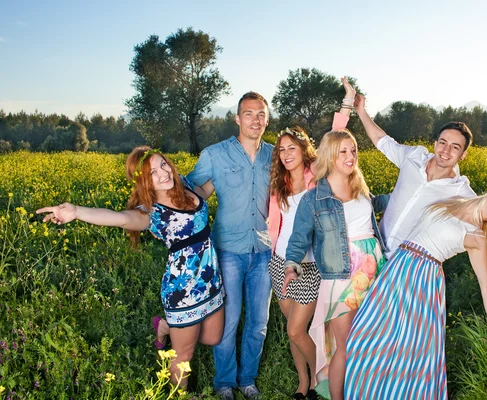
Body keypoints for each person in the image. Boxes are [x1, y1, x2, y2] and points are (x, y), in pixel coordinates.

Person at [36, 146, 224, 388]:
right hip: (183, 290)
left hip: (211, 279)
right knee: (183, 355)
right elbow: (120, 218)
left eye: (163, 165)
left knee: (212, 337)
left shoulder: (184, 185)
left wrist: (226, 173)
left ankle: (166, 326)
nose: (163, 173)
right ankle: (178, 393)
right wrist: (78, 212)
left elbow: (203, 192)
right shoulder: (151, 213)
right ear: (144, 181)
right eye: (153, 172)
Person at [345, 191, 487, 399]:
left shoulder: (477, 237)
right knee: (364, 335)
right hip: (397, 268)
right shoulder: (456, 200)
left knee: (409, 351)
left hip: (422, 279)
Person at [350, 90, 487, 258]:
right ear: (435, 143)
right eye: (443, 143)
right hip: (373, 249)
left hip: (403, 261)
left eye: (455, 147)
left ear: (463, 154)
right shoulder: (413, 157)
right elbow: (382, 140)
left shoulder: (459, 189)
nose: (446, 151)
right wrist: (361, 111)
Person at [283, 129, 388, 400]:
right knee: (345, 346)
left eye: (353, 150)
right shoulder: (313, 198)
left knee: (369, 340)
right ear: (330, 154)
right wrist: (291, 266)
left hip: (373, 268)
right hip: (341, 274)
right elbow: (298, 238)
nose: (350, 156)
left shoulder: (360, 185)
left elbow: (380, 208)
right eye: (343, 151)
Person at [267, 78, 354, 400]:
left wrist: (347, 102)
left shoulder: (316, 174)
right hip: (279, 262)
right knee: (294, 331)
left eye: (292, 147)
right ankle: (303, 384)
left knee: (296, 330)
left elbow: (336, 132)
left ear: (304, 150)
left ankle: (321, 378)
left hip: (310, 265)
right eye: (281, 150)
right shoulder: (277, 182)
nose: (287, 154)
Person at [187, 92, 272, 400]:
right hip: (227, 251)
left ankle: (247, 379)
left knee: (259, 323)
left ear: (267, 118)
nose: (255, 120)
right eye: (249, 114)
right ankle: (224, 383)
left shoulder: (274, 155)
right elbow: (192, 190)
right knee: (228, 320)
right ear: (237, 118)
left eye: (261, 114)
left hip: (264, 251)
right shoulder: (215, 154)